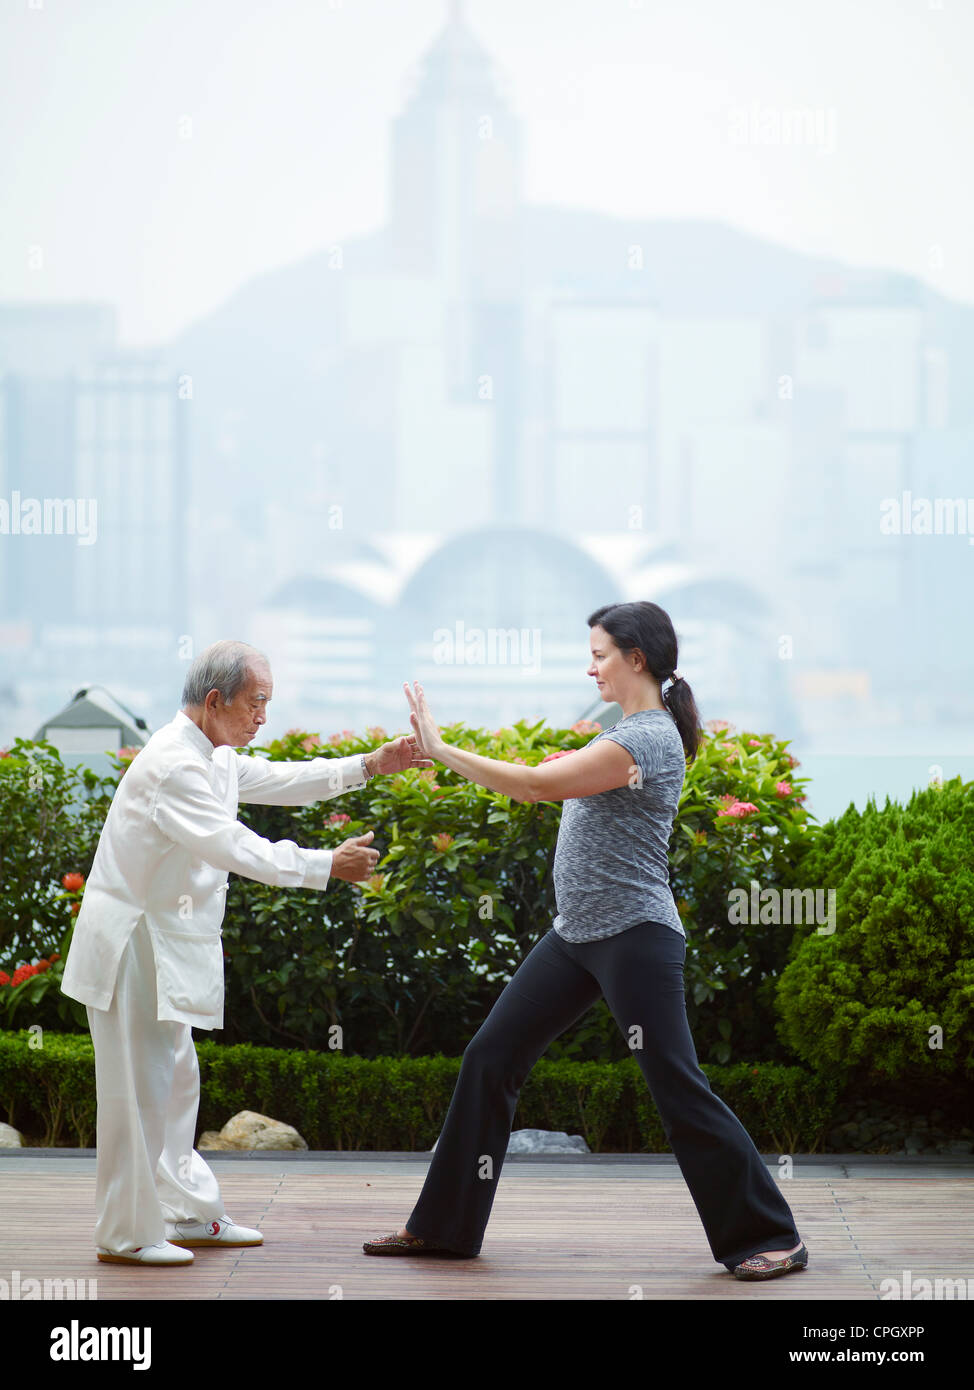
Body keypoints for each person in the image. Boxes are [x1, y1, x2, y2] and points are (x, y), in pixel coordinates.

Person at [363, 601, 807, 1281]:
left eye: (600, 653)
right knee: (491, 1056)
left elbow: (536, 787)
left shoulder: (648, 739)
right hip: (577, 936)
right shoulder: (624, 730)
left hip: (634, 937)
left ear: (637, 658)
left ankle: (770, 1234)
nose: (591, 664)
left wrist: (440, 747)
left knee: (676, 1085)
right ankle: (444, 1229)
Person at [62, 639, 430, 1266]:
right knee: (137, 1094)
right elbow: (232, 844)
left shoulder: (215, 753)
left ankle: (188, 1215)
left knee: (177, 1084)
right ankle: (125, 1234)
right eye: (256, 703)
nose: (264, 717)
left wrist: (370, 765)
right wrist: (323, 864)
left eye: (268, 703)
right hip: (131, 945)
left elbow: (283, 780)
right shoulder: (174, 763)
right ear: (214, 700)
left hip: (160, 943)